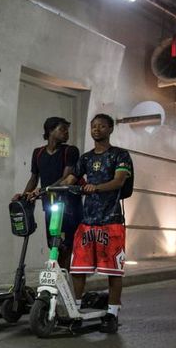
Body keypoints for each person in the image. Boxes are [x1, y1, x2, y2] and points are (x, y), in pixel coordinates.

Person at [60, 113, 133, 333]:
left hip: (111, 220)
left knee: (113, 271)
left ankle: (112, 314)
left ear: (110, 129)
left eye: (102, 126)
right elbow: (70, 179)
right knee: (78, 269)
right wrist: (45, 190)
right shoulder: (85, 158)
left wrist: (96, 187)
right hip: (87, 220)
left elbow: (119, 181)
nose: (97, 129)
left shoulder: (120, 155)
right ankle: (76, 310)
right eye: (94, 126)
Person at [13, 116, 81, 270]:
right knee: (53, 244)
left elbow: (66, 177)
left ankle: (64, 278)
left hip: (69, 206)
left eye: (67, 130)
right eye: (62, 129)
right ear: (50, 131)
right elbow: (34, 178)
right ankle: (57, 277)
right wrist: (24, 195)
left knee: (66, 245)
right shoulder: (38, 153)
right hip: (50, 204)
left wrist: (44, 190)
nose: (66, 133)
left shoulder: (70, 151)